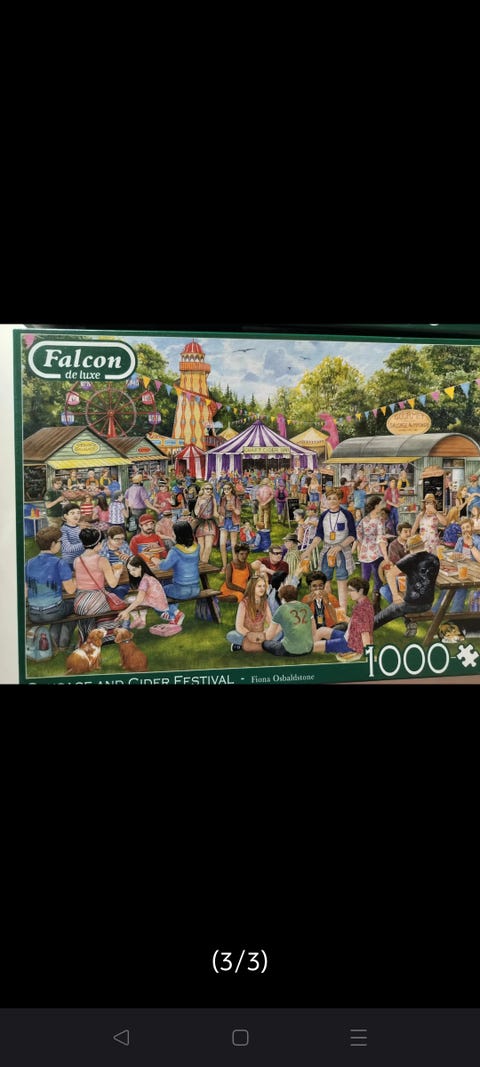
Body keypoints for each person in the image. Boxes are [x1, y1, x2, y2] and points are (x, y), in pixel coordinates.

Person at [373, 534, 440, 637]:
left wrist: (395, 595)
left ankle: (359, 630)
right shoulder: (435, 558)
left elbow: (390, 574)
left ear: (410, 549)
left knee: (380, 618)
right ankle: (409, 622)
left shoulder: (410, 559)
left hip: (410, 604)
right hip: (427, 604)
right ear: (423, 545)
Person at [302, 489, 357, 612]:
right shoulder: (324, 516)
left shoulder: (346, 514)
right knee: (325, 580)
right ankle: (328, 609)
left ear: (339, 500)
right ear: (326, 501)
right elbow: (319, 536)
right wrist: (308, 550)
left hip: (342, 550)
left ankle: (342, 611)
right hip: (327, 549)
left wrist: (339, 546)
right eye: (329, 499)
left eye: (334, 499)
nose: (332, 501)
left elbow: (353, 535)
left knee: (342, 580)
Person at [25, 526, 77, 651]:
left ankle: (54, 643)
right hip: (54, 611)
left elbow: (25, 593)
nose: (61, 545)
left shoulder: (28, 563)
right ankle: (63, 644)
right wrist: (76, 580)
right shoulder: (60, 563)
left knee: (60, 607)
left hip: (33, 613)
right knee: (76, 605)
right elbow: (71, 590)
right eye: (60, 542)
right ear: (53, 544)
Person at [72, 527, 125, 642]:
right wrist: (117, 572)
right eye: (102, 542)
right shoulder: (102, 560)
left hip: (79, 603)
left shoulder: (77, 560)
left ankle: (88, 634)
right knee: (119, 604)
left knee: (106, 604)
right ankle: (109, 635)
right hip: (94, 600)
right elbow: (112, 584)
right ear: (98, 544)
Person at [312, 577, 374, 661]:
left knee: (314, 646)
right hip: (349, 636)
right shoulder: (364, 603)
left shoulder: (362, 610)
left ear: (361, 591)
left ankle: (303, 650)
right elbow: (357, 623)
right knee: (321, 631)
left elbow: (365, 633)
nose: (348, 593)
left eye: (351, 590)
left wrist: (369, 656)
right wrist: (345, 618)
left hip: (350, 644)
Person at [116, 555, 182, 630]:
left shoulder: (145, 580)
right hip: (159, 603)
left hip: (159, 607)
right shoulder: (148, 577)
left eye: (134, 569)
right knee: (131, 598)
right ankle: (139, 619)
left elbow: (139, 600)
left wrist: (126, 611)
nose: (131, 573)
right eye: (129, 570)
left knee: (128, 599)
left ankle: (138, 618)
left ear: (140, 567)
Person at [157, 521, 201, 616]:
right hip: (196, 589)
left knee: (159, 591)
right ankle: (174, 617)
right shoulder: (197, 548)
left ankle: (175, 613)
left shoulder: (175, 551)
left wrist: (154, 559)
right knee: (170, 586)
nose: (172, 534)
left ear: (178, 535)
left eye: (173, 532)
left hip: (181, 591)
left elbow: (164, 567)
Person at [226, 575, 277, 652]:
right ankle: (262, 645)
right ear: (252, 587)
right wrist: (250, 635)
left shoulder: (265, 603)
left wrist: (266, 633)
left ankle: (243, 646)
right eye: (259, 586)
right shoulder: (243, 604)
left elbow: (271, 622)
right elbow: (239, 626)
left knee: (278, 632)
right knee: (231, 635)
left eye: (264, 586)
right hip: (246, 634)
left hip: (261, 634)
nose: (262, 588)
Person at [262, 585, 314, 657]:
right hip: (308, 648)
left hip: (288, 650)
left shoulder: (282, 609)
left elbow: (269, 637)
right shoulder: (306, 607)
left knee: (265, 643)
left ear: (283, 599)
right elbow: (313, 631)